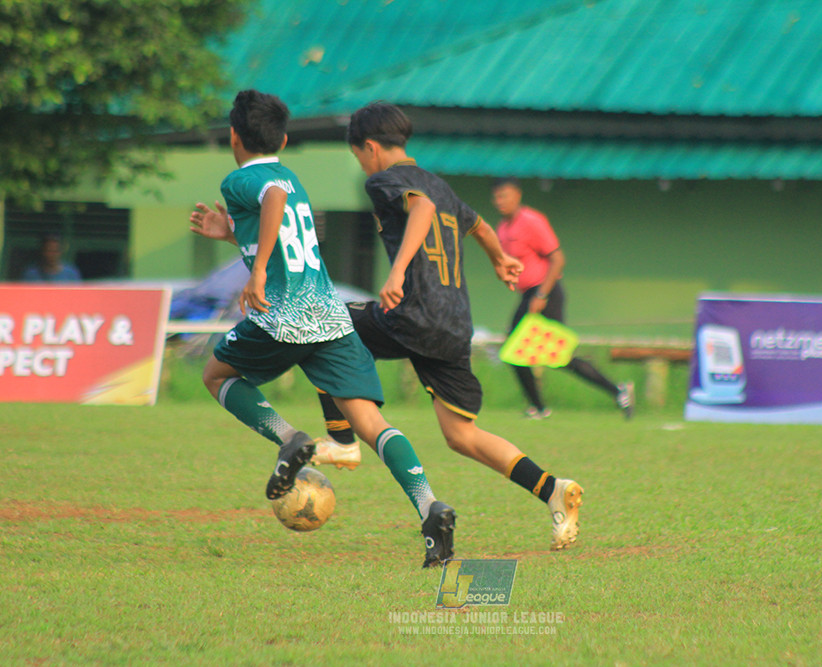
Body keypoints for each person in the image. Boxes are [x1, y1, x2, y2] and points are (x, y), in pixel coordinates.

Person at [187, 90, 454, 569]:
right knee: (372, 426)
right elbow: (279, 214)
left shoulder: (243, 180)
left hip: (282, 314)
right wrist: (228, 233)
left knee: (215, 376)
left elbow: (271, 201)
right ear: (285, 139)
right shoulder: (292, 175)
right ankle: (431, 507)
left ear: (233, 136)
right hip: (328, 315)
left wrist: (258, 271)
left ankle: (289, 437)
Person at [312, 101, 583, 551]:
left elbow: (419, 213)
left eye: (358, 155)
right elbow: (477, 226)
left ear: (371, 147)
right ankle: (553, 489)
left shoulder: (383, 181)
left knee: (325, 324)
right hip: (455, 324)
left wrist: (397, 272)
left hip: (413, 313)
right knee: (461, 435)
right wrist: (500, 258)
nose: (360, 164)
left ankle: (343, 440)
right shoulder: (438, 182)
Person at [491, 177, 635, 420]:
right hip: (528, 295)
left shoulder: (532, 221)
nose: (500, 202)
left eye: (505, 195)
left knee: (552, 354)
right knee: (521, 352)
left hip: (546, 293)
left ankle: (616, 391)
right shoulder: (503, 229)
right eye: (496, 197)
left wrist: (542, 294)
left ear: (517, 195)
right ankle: (540, 406)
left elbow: (557, 259)